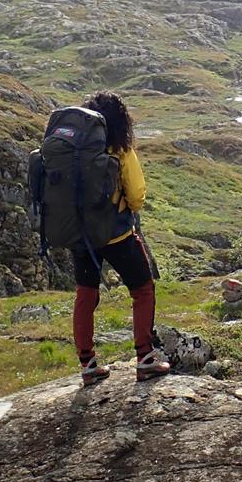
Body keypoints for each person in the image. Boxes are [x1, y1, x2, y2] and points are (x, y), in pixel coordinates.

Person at [74, 91, 171, 384]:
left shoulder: (74, 148)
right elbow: (137, 196)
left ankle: (88, 365)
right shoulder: (120, 149)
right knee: (143, 290)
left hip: (81, 236)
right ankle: (145, 358)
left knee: (86, 295)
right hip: (117, 235)